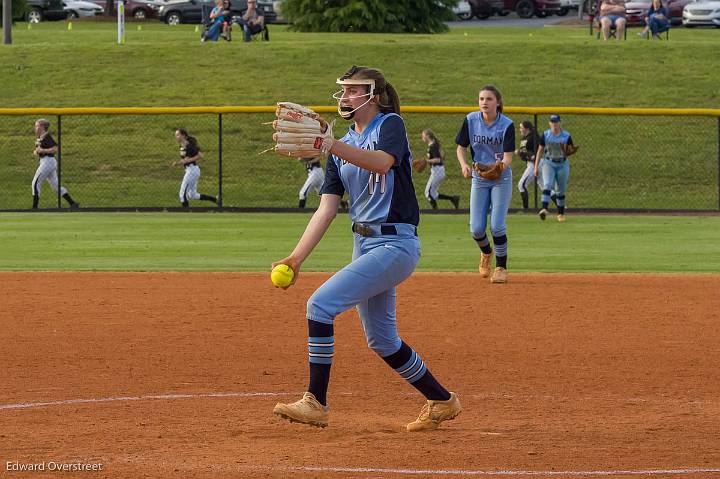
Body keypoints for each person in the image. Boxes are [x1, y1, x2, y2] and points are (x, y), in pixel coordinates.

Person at [272, 65, 461, 432]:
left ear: (372, 95)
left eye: (352, 90)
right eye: (342, 91)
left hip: (395, 242)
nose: (344, 97)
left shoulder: (389, 125)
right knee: (382, 339)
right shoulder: (338, 147)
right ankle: (441, 399)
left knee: (320, 306)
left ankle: (316, 403)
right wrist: (296, 257)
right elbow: (327, 208)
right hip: (365, 244)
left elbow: (383, 162)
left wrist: (332, 145)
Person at [455, 85, 515, 284]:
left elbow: (508, 158)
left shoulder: (507, 125)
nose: (484, 102)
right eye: (481, 99)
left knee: (497, 226)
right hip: (479, 177)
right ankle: (486, 253)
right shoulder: (471, 120)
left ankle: (501, 267)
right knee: (476, 229)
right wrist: (464, 165)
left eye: (489, 99)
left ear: (497, 102)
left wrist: (499, 167)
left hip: (500, 178)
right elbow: (460, 148)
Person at [533, 114, 575, 222]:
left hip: (562, 163)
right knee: (547, 184)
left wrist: (569, 150)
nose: (554, 124)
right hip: (549, 162)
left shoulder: (566, 136)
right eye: (552, 122)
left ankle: (560, 214)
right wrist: (536, 166)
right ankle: (544, 209)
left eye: (556, 122)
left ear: (560, 123)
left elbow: (570, 149)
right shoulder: (546, 135)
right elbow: (540, 150)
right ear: (549, 123)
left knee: (560, 190)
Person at [31, 119, 79, 210]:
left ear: (42, 127)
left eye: (37, 126)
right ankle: (73, 203)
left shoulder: (46, 136)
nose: (35, 128)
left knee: (35, 183)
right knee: (55, 186)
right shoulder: (40, 138)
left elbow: (55, 149)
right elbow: (40, 150)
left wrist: (42, 151)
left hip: (48, 161)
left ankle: (34, 207)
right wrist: (37, 151)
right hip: (47, 161)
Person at [173, 129, 217, 208]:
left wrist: (188, 160)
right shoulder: (181, 146)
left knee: (182, 194)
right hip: (191, 170)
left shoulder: (189, 145)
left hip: (192, 171)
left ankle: (186, 215)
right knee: (192, 195)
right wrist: (177, 163)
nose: (176, 137)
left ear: (183, 136)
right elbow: (186, 159)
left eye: (178, 135)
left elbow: (200, 155)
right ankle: (215, 200)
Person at [420, 129, 460, 210]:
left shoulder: (433, 146)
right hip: (438, 170)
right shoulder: (433, 145)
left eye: (423, 136)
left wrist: (426, 161)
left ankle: (435, 210)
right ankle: (453, 199)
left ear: (427, 136)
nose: (422, 138)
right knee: (433, 194)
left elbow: (438, 160)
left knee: (428, 193)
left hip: (437, 171)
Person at [515, 120, 540, 211]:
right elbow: (524, 152)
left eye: (522, 128)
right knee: (544, 186)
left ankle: (525, 209)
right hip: (531, 163)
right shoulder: (524, 138)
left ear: (527, 129)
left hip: (534, 164)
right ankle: (561, 207)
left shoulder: (534, 137)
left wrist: (523, 153)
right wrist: (521, 153)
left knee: (521, 185)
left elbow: (536, 152)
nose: (520, 130)